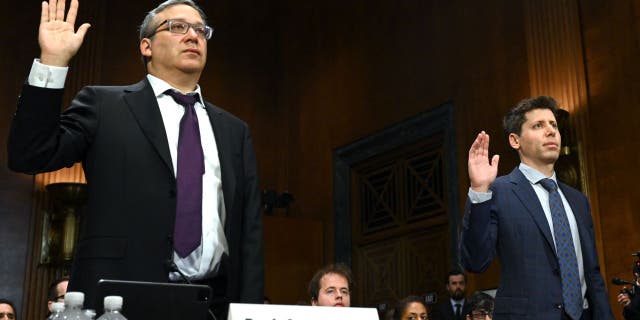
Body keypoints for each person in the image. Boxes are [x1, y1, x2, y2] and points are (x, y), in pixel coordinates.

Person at [7, 0, 264, 318]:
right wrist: (52, 62)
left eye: (200, 30)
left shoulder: (234, 130)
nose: (192, 36)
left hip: (212, 304)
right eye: (177, 27)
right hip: (119, 300)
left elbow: (249, 232)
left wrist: (250, 310)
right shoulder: (104, 105)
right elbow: (29, 154)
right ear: (146, 46)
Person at [460, 96, 613, 319]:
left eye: (554, 125)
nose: (551, 131)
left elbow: (593, 275)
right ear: (515, 141)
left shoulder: (578, 200)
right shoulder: (498, 191)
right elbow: (475, 260)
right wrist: (479, 191)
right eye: (538, 125)